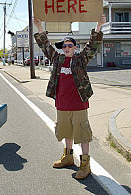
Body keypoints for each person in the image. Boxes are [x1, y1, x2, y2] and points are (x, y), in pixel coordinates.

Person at [33, 14, 106, 180]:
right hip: (62, 104)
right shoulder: (57, 60)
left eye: (69, 45)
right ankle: (67, 157)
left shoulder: (81, 59)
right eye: (64, 46)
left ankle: (85, 164)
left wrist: (98, 25)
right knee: (66, 131)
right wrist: (39, 27)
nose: (66, 48)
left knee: (82, 134)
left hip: (79, 104)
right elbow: (46, 47)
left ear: (74, 47)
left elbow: (93, 45)